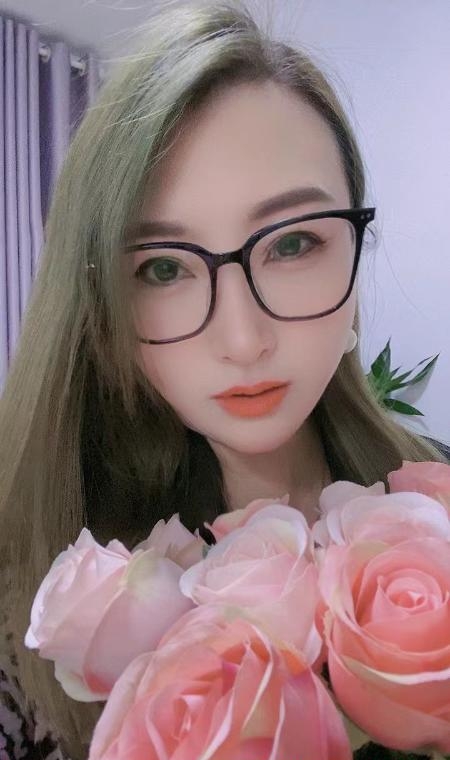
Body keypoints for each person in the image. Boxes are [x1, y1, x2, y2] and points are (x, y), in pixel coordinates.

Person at [0, 1, 449, 758]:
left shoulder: (437, 514)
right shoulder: (40, 609)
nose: (243, 341)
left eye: (294, 243)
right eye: (163, 268)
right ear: (102, 305)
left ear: (355, 248)